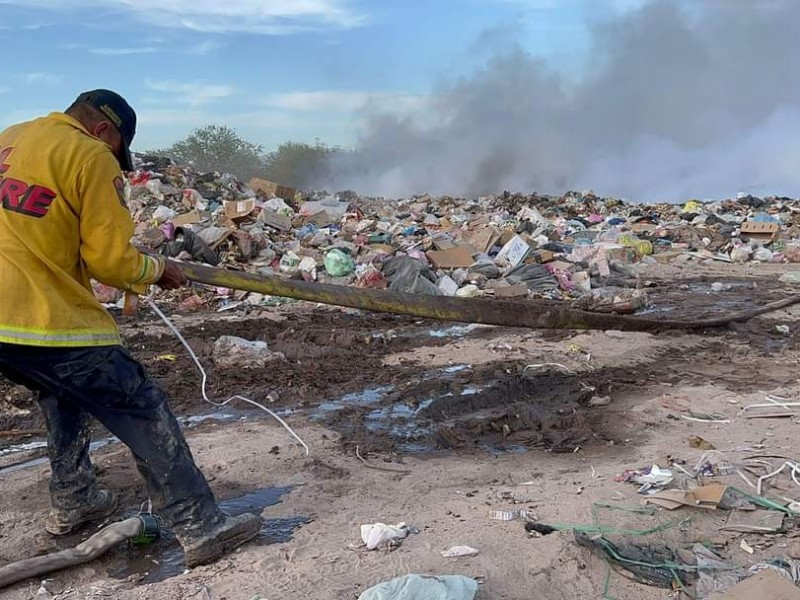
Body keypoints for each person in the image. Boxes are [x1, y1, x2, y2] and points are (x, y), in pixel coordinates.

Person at [0, 89, 263, 567]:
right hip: (39, 314)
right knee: (141, 405)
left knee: (62, 393)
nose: (114, 157)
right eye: (117, 147)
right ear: (104, 130)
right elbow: (109, 261)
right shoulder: (89, 154)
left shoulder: (12, 138)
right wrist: (155, 270)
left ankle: (74, 499)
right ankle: (201, 525)